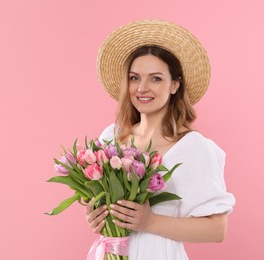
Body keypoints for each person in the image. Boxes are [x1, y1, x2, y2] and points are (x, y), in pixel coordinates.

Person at [85, 20, 235, 260]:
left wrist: (150, 221)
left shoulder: (193, 148)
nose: (142, 88)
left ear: (175, 85)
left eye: (155, 78)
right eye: (134, 78)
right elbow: (99, 205)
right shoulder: (110, 139)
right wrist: (98, 215)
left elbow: (217, 229)